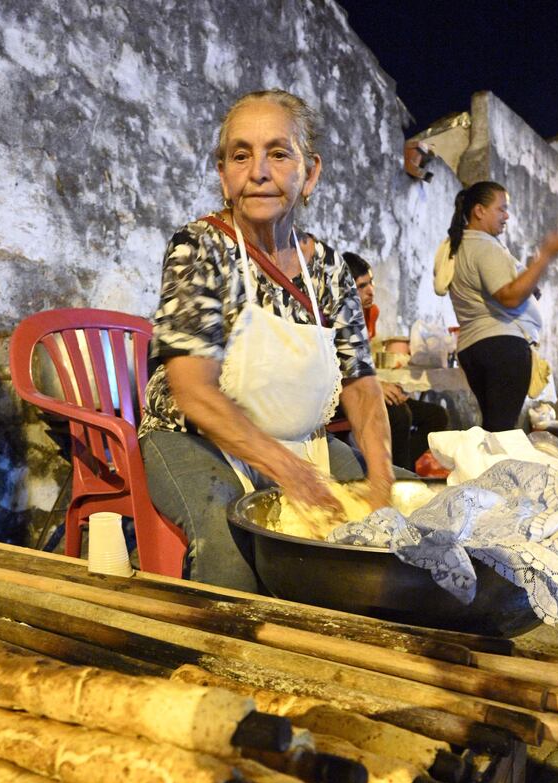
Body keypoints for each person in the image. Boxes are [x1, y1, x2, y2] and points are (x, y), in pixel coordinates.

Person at [139, 89, 395, 592]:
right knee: (233, 542)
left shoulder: (329, 268)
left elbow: (361, 383)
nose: (258, 171)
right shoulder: (201, 247)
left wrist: (382, 479)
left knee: (384, 523)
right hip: (192, 437)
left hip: (303, 443)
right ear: (223, 174)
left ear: (311, 173)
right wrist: (292, 475)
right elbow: (192, 391)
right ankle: (222, 663)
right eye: (241, 155)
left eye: (278, 153)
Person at [434, 181, 558, 432]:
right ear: (479, 211)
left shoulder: (460, 246)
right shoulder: (484, 246)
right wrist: (546, 256)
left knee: (494, 427)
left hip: (474, 347)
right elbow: (508, 297)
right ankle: (494, 472)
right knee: (503, 432)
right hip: (501, 345)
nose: (506, 216)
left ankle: (485, 471)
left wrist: (528, 280)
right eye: (501, 209)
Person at [343, 252, 447, 471]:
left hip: (364, 384)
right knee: (400, 414)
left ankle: (404, 469)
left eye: (370, 282)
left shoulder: (370, 313)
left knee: (436, 416)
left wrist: (386, 387)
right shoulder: (336, 317)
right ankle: (397, 478)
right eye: (361, 286)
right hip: (341, 392)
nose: (371, 290)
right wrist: (377, 387)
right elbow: (339, 368)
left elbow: (361, 363)